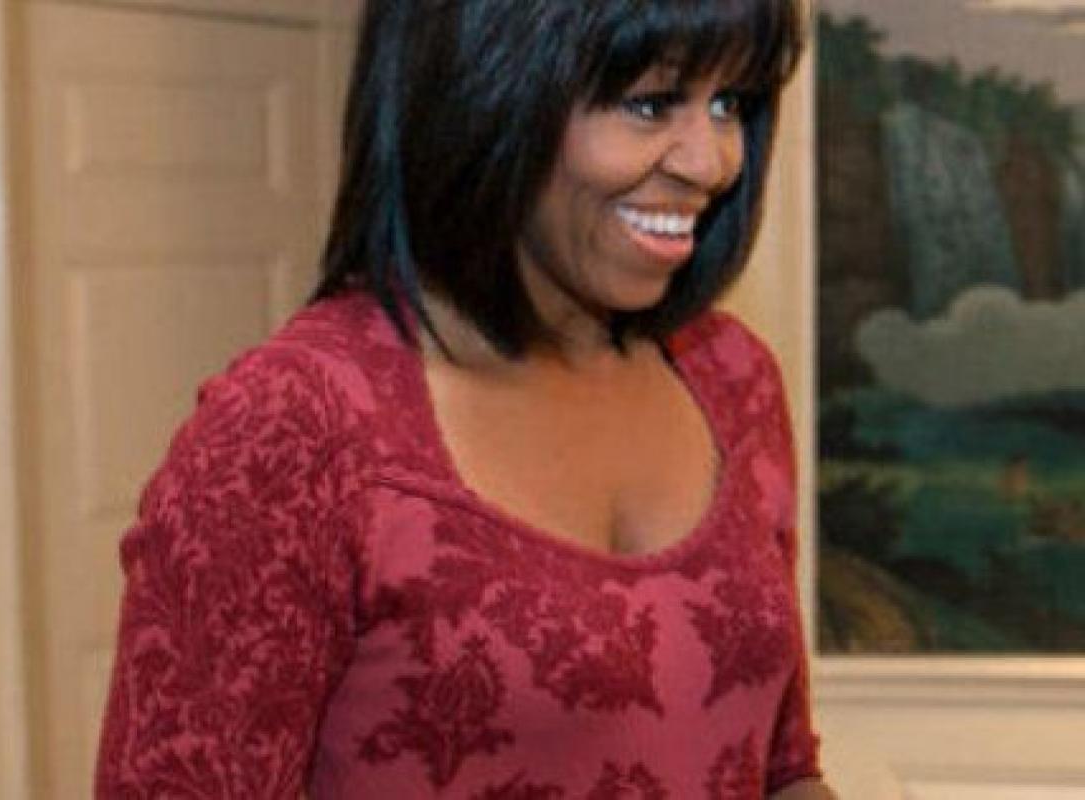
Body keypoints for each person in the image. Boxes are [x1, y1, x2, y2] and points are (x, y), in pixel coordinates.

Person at [95, 0, 835, 797]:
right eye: (652, 104)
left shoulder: (730, 378)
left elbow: (781, 768)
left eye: (731, 103)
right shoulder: (295, 429)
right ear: (485, 91)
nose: (713, 161)